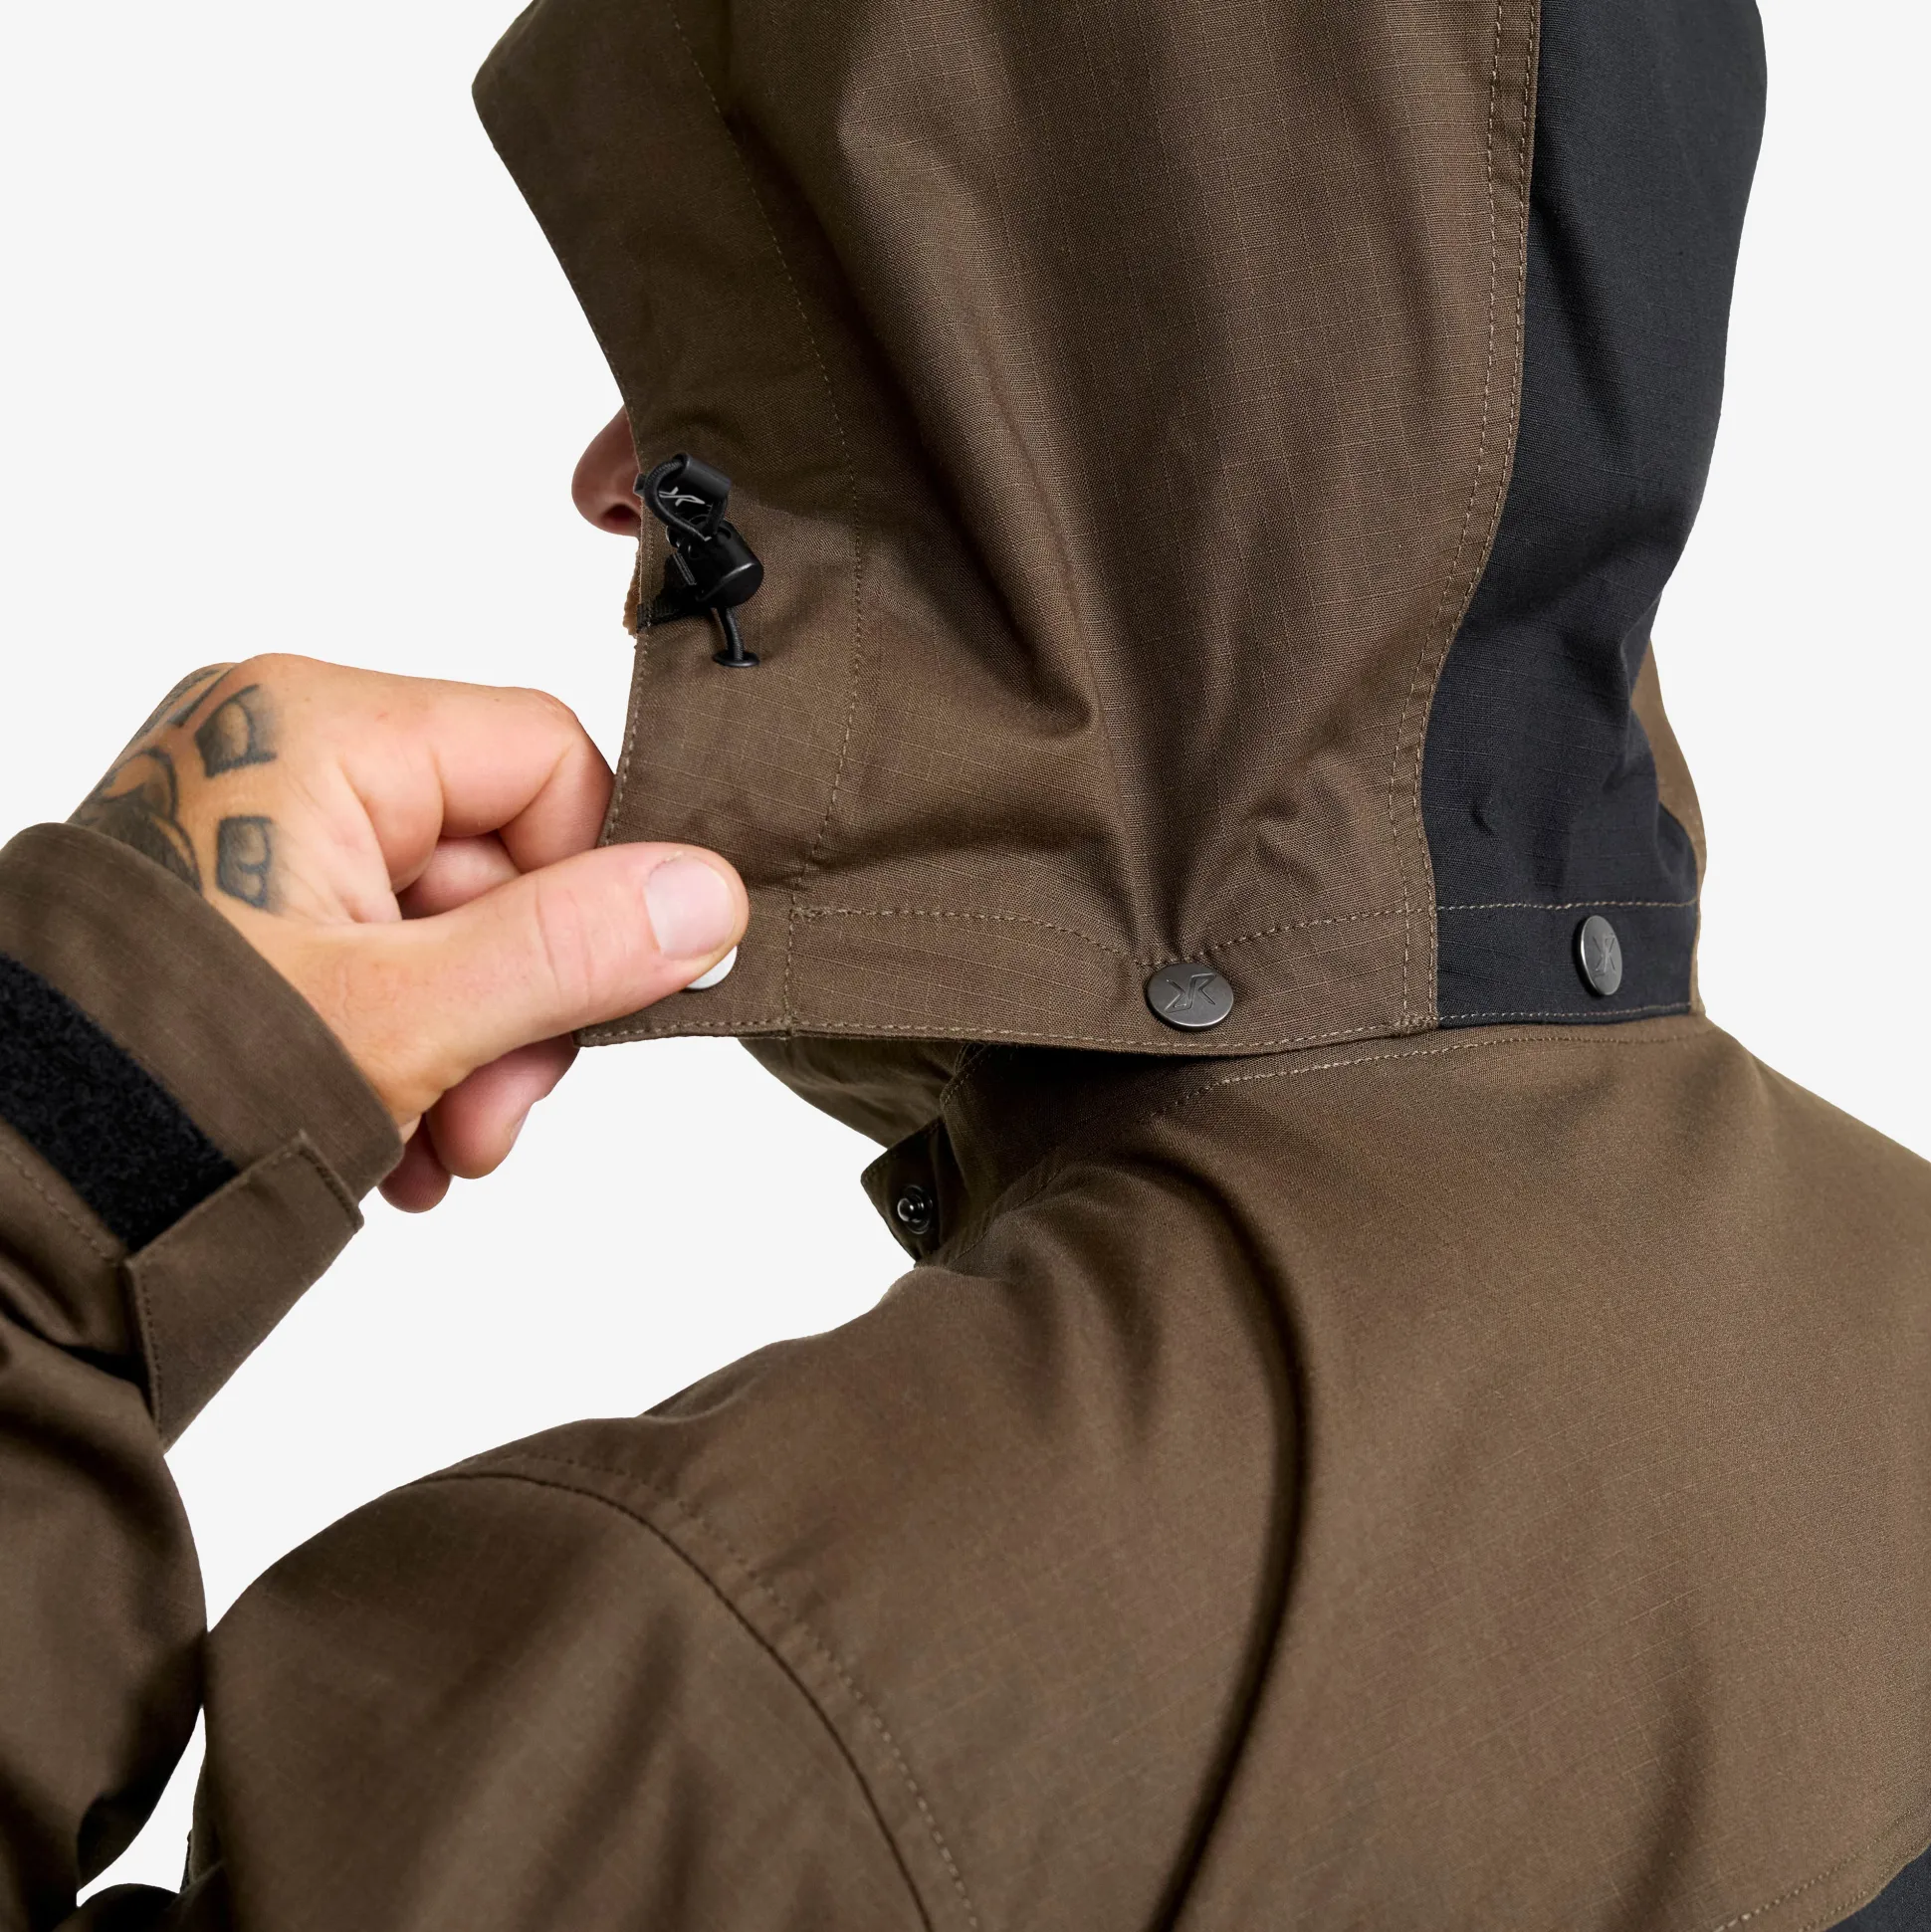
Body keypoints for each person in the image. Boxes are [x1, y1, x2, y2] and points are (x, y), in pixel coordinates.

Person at [4, 0, 1929, 1926]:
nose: (616, 479)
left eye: (810, 367)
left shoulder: (732, 1680)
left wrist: (68, 1150)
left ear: (1112, 423)